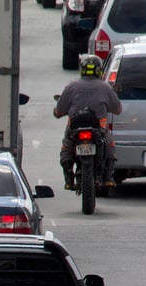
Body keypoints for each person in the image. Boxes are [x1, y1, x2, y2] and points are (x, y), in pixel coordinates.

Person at [53, 53, 122, 189]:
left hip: (74, 127)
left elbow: (59, 110)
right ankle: (108, 177)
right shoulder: (105, 87)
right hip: (99, 129)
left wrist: (58, 112)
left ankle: (68, 177)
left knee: (66, 148)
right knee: (110, 146)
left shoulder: (72, 86)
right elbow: (118, 109)